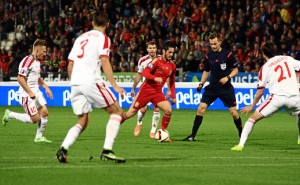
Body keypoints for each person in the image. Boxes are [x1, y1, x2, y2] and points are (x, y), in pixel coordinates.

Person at [56, 12, 126, 163]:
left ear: (92, 23)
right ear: (107, 25)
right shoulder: (104, 38)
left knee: (83, 120)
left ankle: (63, 148)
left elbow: (70, 65)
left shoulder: (80, 38)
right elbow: (105, 60)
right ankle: (107, 150)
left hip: (75, 83)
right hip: (91, 81)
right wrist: (114, 85)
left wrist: (74, 82)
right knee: (117, 111)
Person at [231, 41, 300, 151]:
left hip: (277, 98)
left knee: (252, 119)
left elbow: (260, 92)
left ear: (263, 54)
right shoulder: (287, 59)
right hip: (295, 97)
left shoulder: (265, 67)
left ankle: (240, 145)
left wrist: (252, 106)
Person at [182, 32, 243, 141]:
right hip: (212, 87)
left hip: (226, 87)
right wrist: (201, 83)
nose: (213, 46)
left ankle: (242, 134)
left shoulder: (228, 55)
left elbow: (236, 70)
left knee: (234, 113)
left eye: (215, 43)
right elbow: (206, 71)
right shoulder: (208, 56)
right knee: (201, 109)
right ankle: (192, 136)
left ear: (219, 42)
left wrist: (228, 77)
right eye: (211, 44)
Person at [122, 41, 176, 140]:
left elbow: (172, 81)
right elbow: (144, 73)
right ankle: (116, 123)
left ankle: (161, 133)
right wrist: (154, 78)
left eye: (173, 52)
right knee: (130, 113)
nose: (171, 55)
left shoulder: (172, 65)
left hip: (157, 92)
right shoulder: (156, 61)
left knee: (168, 110)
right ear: (164, 51)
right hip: (146, 90)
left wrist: (173, 95)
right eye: (169, 52)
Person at [2, 39, 53, 143]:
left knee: (44, 112)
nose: (45, 54)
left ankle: (38, 137)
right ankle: (10, 114)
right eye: (43, 51)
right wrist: (30, 92)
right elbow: (20, 78)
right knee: (35, 119)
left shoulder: (38, 62)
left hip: (36, 92)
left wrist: (46, 87)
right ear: (37, 50)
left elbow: (37, 78)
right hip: (26, 93)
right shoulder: (27, 61)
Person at [130, 41, 162, 138]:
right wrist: (133, 88)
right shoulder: (142, 60)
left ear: (156, 49)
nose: (152, 49)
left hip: (158, 88)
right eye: (150, 48)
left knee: (157, 108)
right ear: (147, 49)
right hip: (146, 88)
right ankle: (139, 123)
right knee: (143, 109)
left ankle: (153, 131)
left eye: (154, 47)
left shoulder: (161, 59)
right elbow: (138, 75)